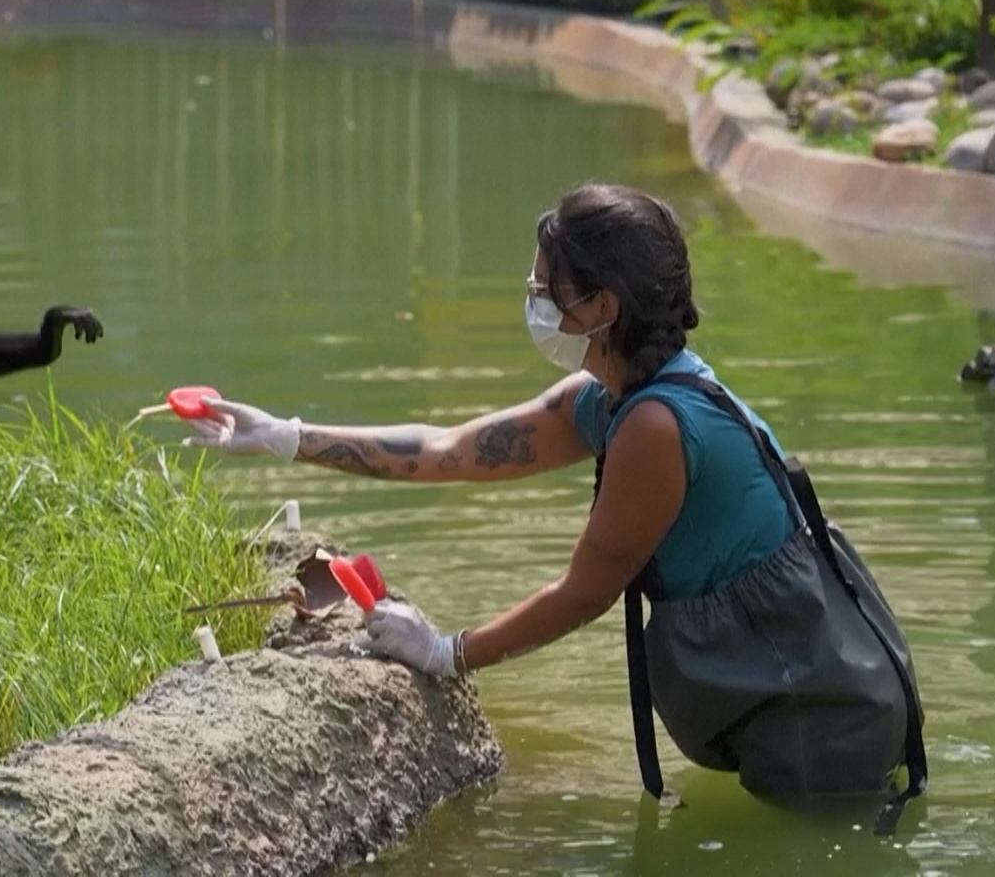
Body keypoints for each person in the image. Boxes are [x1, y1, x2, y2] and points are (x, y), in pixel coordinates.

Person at [182, 181, 927, 831]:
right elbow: (450, 450)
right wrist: (285, 436)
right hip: (788, 710)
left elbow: (583, 596)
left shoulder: (656, 428)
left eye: (547, 291)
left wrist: (446, 652)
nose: (533, 301)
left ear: (601, 306)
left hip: (820, 727)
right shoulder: (611, 396)